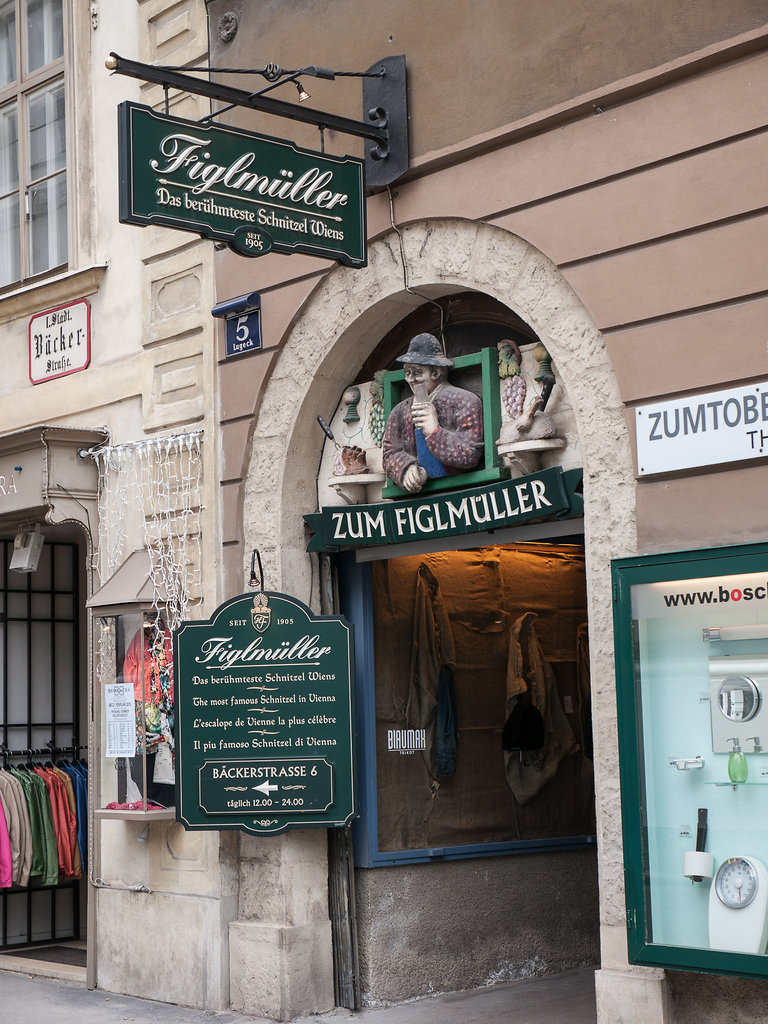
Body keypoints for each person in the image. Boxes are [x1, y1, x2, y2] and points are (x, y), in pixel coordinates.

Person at [382, 333, 484, 492]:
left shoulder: (465, 401)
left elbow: (470, 453)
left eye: (417, 372)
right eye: (407, 373)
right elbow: (390, 453)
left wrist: (434, 432)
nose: (410, 379)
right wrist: (406, 470)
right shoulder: (399, 412)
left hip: (464, 490)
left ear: (435, 373)